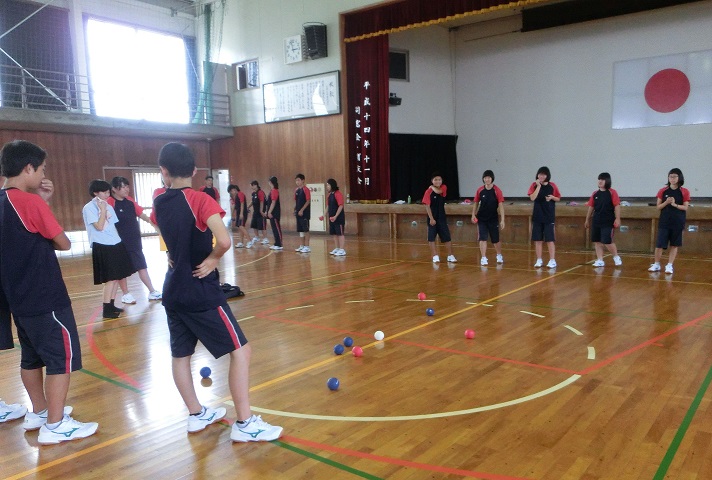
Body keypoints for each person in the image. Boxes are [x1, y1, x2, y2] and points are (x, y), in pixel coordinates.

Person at [151, 142, 282, 442]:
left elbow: (165, 232)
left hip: (173, 289)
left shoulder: (159, 200)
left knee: (181, 355)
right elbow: (224, 241)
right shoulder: (200, 199)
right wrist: (212, 260)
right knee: (241, 351)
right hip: (200, 290)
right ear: (195, 170)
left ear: (164, 171)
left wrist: (172, 252)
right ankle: (245, 424)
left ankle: (196, 414)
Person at [0, 139, 98, 443]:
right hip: (45, 296)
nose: (43, 174)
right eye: (41, 169)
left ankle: (41, 411)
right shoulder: (27, 202)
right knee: (60, 359)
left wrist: (40, 201)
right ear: (28, 168)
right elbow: (63, 242)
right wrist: (41, 202)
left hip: (18, 298)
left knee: (30, 357)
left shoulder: (3, 200)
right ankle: (56, 426)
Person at [82, 180, 136, 318]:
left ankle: (111, 305)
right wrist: (102, 210)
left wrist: (120, 243)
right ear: (95, 193)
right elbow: (99, 227)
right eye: (104, 192)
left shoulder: (108, 206)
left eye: (108, 192)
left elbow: (113, 227)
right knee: (110, 279)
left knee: (117, 277)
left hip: (115, 243)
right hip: (102, 245)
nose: (107, 195)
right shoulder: (89, 208)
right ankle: (106, 309)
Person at [108, 176, 162, 303]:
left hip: (134, 240)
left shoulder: (130, 201)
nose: (126, 189)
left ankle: (152, 291)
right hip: (118, 243)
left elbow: (142, 215)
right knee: (122, 269)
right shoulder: (110, 202)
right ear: (114, 189)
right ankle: (126, 294)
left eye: (127, 186)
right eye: (123, 187)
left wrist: (155, 225)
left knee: (141, 265)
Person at [648, 168, 690, 274]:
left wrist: (675, 204)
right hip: (664, 221)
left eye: (675, 176)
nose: (672, 178)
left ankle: (670, 265)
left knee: (674, 245)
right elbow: (658, 207)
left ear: (679, 178)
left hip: (678, 221)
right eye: (670, 176)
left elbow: (685, 207)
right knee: (659, 244)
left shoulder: (684, 191)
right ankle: (656, 264)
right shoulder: (663, 191)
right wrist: (666, 202)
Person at [584, 172, 622, 268]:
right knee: (597, 241)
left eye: (602, 179)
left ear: (607, 181)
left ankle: (616, 257)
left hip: (608, 221)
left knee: (607, 241)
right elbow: (591, 206)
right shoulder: (595, 193)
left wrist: (617, 219)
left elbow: (617, 206)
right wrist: (587, 219)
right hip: (597, 220)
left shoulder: (612, 192)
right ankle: (600, 260)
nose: (600, 181)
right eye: (599, 179)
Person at [528, 166, 561, 269]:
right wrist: (538, 187)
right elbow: (532, 197)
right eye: (540, 174)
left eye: (543, 174)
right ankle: (539, 259)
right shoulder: (534, 185)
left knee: (550, 239)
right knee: (538, 240)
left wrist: (552, 197)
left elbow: (558, 198)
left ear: (547, 176)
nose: (541, 176)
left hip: (549, 216)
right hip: (537, 216)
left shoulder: (552, 186)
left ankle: (552, 260)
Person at [471, 169, 505, 266]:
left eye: (489, 178)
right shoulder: (480, 190)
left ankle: (499, 255)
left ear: (492, 178)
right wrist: (473, 214)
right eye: (485, 178)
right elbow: (476, 203)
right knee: (482, 238)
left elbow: (501, 205)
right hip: (482, 218)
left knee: (495, 239)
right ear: (483, 179)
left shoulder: (497, 190)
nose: (487, 179)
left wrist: (502, 220)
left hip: (493, 218)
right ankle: (483, 257)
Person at [423, 172, 457, 264]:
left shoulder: (443, 187)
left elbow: (438, 192)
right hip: (432, 218)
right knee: (431, 238)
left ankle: (450, 255)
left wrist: (431, 187)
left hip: (441, 217)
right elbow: (427, 206)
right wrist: (431, 218)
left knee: (447, 237)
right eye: (435, 180)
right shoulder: (428, 192)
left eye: (439, 180)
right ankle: (435, 256)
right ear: (432, 181)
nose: (438, 181)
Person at [326, 178, 346, 256]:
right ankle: (337, 248)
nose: (327, 187)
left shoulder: (338, 194)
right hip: (331, 218)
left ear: (332, 185)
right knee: (334, 234)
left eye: (328, 185)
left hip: (338, 218)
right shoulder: (329, 195)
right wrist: (323, 215)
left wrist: (336, 216)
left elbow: (340, 206)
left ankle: (342, 249)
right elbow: (328, 206)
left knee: (340, 233)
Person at [247, 180, 268, 248]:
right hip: (255, 211)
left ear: (255, 185)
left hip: (261, 212)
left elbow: (262, 202)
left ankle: (265, 239)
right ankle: (257, 236)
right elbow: (252, 201)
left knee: (262, 226)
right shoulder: (254, 193)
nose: (251, 187)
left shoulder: (260, 192)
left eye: (252, 186)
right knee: (254, 224)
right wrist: (247, 207)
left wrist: (261, 211)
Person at [264, 176, 283, 250]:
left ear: (271, 182)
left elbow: (273, 202)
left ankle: (279, 244)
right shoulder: (272, 191)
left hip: (275, 213)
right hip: (271, 213)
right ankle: (276, 243)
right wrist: (267, 211)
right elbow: (269, 203)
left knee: (277, 228)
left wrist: (269, 211)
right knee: (274, 229)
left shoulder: (274, 191)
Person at [294, 173, 311, 253]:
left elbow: (308, 201)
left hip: (305, 214)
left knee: (306, 230)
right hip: (298, 214)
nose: (297, 182)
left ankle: (307, 246)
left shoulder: (306, 189)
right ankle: (302, 245)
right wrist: (295, 210)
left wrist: (302, 210)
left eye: (298, 180)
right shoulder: (296, 190)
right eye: (296, 180)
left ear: (303, 180)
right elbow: (296, 201)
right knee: (300, 230)